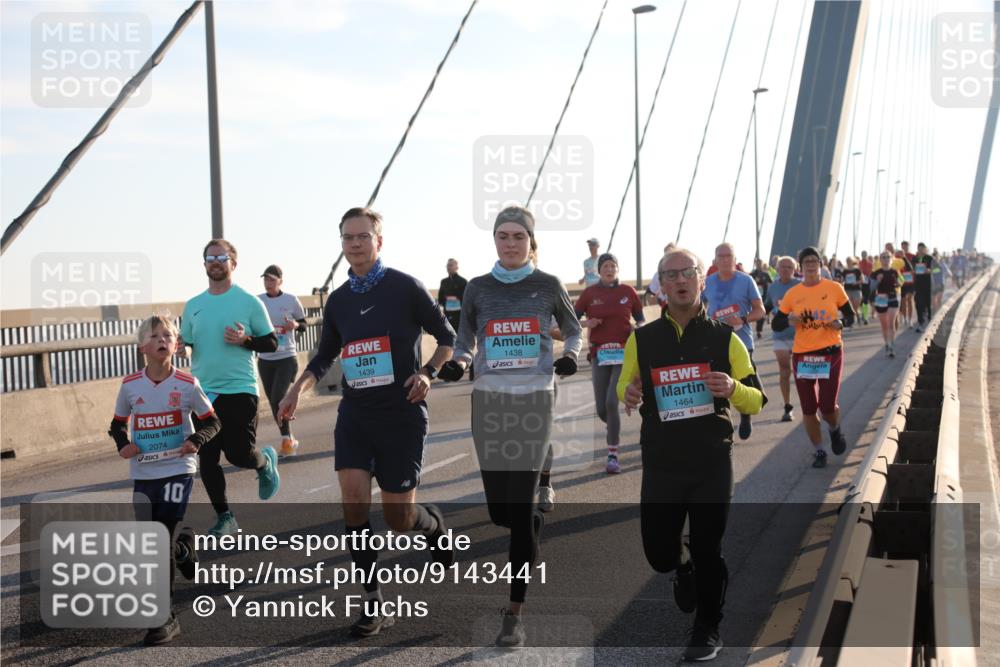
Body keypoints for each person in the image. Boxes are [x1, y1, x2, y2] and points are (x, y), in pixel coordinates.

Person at [278, 207, 456, 638]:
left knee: (399, 518)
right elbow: (324, 357)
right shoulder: (339, 300)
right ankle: (373, 602)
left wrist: (427, 374)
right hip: (356, 415)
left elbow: (447, 338)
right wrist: (295, 390)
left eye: (362, 236)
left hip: (401, 414)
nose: (354, 244)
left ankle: (431, 525)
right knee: (354, 504)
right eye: (347, 238)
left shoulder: (405, 287)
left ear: (379, 241)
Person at [438, 206, 582, 648]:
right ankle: (531, 519)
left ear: (530, 241)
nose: (510, 243)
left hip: (534, 399)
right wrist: (459, 363)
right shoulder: (478, 288)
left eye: (519, 236)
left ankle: (513, 614)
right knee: (502, 513)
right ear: (495, 241)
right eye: (503, 235)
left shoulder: (548, 285)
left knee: (517, 513)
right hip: (490, 401)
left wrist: (570, 355)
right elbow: (464, 341)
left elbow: (573, 330)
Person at [618, 248, 766, 662]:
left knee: (709, 548)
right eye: (671, 274)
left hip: (711, 462)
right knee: (660, 554)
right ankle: (681, 568)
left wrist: (733, 390)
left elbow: (756, 400)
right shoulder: (642, 339)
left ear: (702, 280)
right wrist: (627, 392)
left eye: (688, 273)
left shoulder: (725, 338)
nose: (680, 280)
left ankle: (708, 627)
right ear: (661, 286)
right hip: (663, 463)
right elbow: (624, 387)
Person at [110, 315, 221, 645]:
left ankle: (164, 618)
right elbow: (116, 425)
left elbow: (212, 422)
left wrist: (196, 441)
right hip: (144, 473)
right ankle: (185, 543)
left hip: (178, 469)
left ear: (176, 345)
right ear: (142, 346)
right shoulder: (131, 386)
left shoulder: (187, 384)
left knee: (159, 541)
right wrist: (124, 444)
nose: (162, 339)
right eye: (154, 335)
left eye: (168, 335)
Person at [180, 239, 280, 537]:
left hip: (240, 389)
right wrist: (180, 350)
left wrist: (246, 340)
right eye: (210, 258)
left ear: (233, 264)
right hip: (204, 393)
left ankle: (263, 461)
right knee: (207, 457)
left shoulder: (249, 302)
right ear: (204, 265)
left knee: (238, 454)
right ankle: (226, 517)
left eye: (222, 257)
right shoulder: (193, 306)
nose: (216, 262)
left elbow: (271, 342)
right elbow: (187, 343)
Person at [772, 246, 855, 469]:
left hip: (830, 353)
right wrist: (790, 320)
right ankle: (819, 451)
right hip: (803, 356)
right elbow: (776, 323)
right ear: (801, 266)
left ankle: (835, 430)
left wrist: (842, 323)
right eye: (806, 261)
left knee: (827, 407)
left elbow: (850, 315)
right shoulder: (793, 294)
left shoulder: (834, 288)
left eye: (814, 261)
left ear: (820, 264)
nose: (810, 264)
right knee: (809, 408)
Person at [575, 252, 645, 474]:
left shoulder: (628, 292)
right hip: (599, 355)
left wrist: (638, 329)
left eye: (612, 265)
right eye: (605, 266)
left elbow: (641, 318)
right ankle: (612, 428)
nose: (609, 269)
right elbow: (571, 318)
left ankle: (613, 454)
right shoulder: (590, 293)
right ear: (599, 270)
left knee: (611, 402)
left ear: (617, 269)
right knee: (601, 407)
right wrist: (588, 322)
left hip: (623, 354)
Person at [702, 243, 765, 440]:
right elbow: (698, 306)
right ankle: (720, 424)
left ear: (735, 259)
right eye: (721, 256)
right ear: (715, 260)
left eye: (729, 256)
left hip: (742, 341)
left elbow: (760, 310)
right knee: (716, 384)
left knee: (743, 383)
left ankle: (745, 416)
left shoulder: (746, 281)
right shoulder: (707, 282)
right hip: (714, 342)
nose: (725, 260)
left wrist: (743, 319)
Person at [258, 265, 307, 457]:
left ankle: (287, 441)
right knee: (273, 402)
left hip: (287, 357)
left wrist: (294, 324)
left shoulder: (291, 300)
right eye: (265, 279)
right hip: (265, 358)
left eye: (271, 279)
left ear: (280, 281)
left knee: (279, 397)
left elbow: (304, 324)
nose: (268, 283)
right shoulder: (258, 301)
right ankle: (288, 437)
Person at [763, 256, 801, 423]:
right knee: (785, 370)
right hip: (780, 335)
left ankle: (809, 404)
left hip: (800, 335)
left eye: (789, 267)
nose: (785, 270)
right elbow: (767, 306)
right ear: (777, 269)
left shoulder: (800, 286)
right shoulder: (773, 287)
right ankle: (787, 406)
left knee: (802, 373)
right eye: (782, 267)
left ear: (795, 270)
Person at [438, 258, 471, 380]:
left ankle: (471, 369)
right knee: (448, 343)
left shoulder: (463, 282)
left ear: (457, 267)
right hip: (448, 316)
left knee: (463, 342)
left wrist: (455, 298)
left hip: (461, 316)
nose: (448, 267)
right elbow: (441, 298)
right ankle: (448, 372)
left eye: (451, 265)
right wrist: (447, 300)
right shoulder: (444, 282)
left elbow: (467, 300)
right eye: (447, 265)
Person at [870, 252, 903, 357]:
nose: (886, 259)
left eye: (888, 257)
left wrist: (899, 283)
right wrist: (878, 281)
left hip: (893, 298)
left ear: (891, 259)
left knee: (891, 323)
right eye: (883, 257)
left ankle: (891, 345)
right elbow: (871, 288)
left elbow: (901, 282)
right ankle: (886, 343)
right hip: (880, 300)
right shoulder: (875, 273)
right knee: (884, 325)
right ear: (880, 260)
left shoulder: (895, 271)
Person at [912, 242, 934, 332]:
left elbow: (937, 269)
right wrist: (912, 272)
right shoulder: (915, 258)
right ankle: (920, 322)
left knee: (927, 303)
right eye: (919, 248)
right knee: (918, 303)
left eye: (922, 248)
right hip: (918, 284)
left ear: (925, 249)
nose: (920, 250)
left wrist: (929, 270)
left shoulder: (930, 258)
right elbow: (912, 268)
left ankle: (929, 318)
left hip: (928, 283)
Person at [839, 257, 864, 328]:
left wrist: (856, 283)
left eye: (849, 261)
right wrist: (842, 282)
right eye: (847, 261)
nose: (848, 262)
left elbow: (862, 280)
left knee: (856, 306)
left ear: (852, 261)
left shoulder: (857, 270)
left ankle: (857, 315)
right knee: (850, 306)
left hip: (856, 289)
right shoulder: (844, 271)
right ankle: (851, 322)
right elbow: (842, 280)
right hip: (847, 289)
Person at [750, 259, 773, 340]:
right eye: (757, 263)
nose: (759, 265)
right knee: (756, 313)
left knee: (762, 314)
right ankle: (758, 327)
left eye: (760, 263)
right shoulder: (752, 274)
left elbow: (772, 283)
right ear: (756, 264)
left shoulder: (766, 274)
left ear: (762, 264)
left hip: (764, 297)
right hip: (754, 297)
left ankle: (759, 330)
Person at [857, 251, 873, 325]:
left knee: (866, 300)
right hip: (860, 284)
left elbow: (871, 272)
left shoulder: (870, 263)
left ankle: (865, 317)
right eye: (862, 254)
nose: (863, 256)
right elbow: (858, 272)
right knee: (860, 301)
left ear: (866, 255)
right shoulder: (859, 263)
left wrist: (866, 274)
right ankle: (861, 315)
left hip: (867, 284)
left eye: (864, 254)